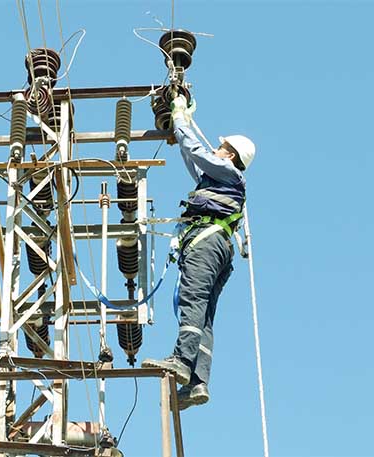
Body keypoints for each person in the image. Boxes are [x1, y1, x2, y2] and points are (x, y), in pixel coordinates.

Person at [142, 94, 256, 410]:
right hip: (219, 248)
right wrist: (183, 125)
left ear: (230, 154)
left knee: (192, 300)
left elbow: (197, 151)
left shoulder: (228, 171)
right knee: (203, 314)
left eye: (222, 148)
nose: (217, 149)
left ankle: (181, 360)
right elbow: (191, 155)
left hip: (207, 244)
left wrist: (179, 117)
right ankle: (197, 382)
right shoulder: (219, 179)